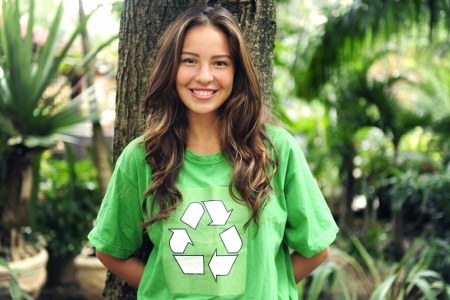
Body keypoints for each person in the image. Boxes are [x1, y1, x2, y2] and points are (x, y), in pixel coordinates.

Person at [88, 5, 339, 299]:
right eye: (189, 61)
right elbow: (109, 250)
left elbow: (317, 249)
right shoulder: (143, 157)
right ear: (171, 68)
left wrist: (268, 285)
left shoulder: (275, 150)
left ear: (237, 72)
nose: (204, 76)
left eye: (220, 63)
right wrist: (160, 287)